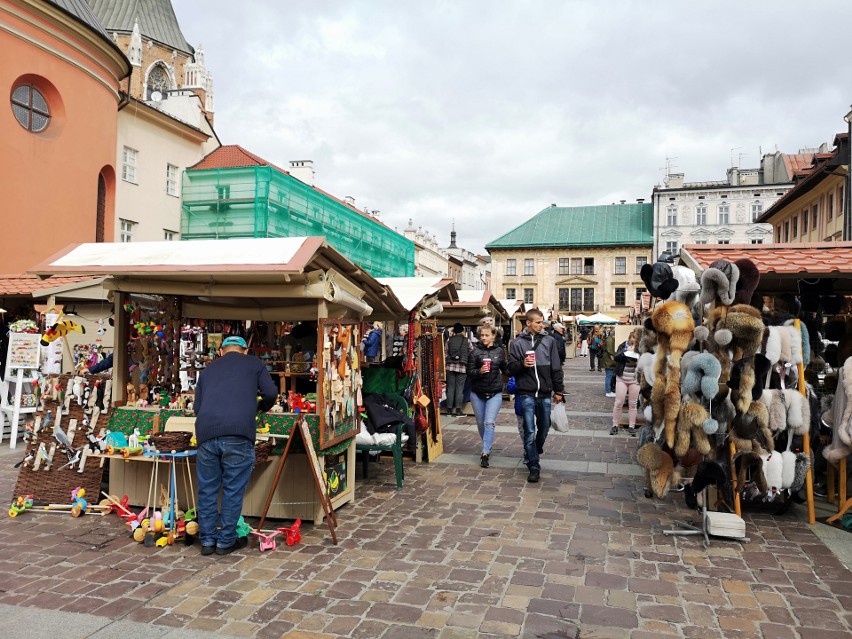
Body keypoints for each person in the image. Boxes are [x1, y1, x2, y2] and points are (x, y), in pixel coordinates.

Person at [194, 335, 278, 556]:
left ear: (221, 351)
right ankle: (225, 542)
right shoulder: (255, 364)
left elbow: (197, 407)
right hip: (239, 434)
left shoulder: (208, 370)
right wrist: (259, 407)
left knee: (207, 490)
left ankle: (207, 541)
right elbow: (271, 393)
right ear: (245, 350)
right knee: (232, 490)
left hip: (206, 434)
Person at [508, 309, 565, 483]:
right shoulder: (517, 343)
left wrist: (559, 390)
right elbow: (510, 368)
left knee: (545, 425)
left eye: (543, 322)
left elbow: (556, 367)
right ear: (529, 323)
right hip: (526, 392)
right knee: (529, 429)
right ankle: (534, 464)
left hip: (545, 392)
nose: (542, 325)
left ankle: (535, 448)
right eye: (539, 322)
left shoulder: (549, 341)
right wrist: (522, 364)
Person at [468, 324, 508, 468]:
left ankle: (485, 453)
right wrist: (480, 371)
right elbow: (469, 372)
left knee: (489, 422)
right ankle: (487, 443)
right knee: (480, 423)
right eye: (482, 335)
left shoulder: (499, 351)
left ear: (493, 336)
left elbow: (505, 368)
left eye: (486, 335)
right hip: (477, 393)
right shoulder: (474, 352)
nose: (484, 338)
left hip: (495, 392)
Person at [610, 331, 641, 436]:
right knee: (618, 402)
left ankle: (631, 426)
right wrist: (625, 351)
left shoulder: (641, 348)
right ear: (629, 338)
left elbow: (646, 362)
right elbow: (616, 357)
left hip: (634, 379)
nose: (633, 343)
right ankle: (615, 425)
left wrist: (638, 362)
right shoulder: (623, 345)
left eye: (635, 342)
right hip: (622, 378)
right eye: (632, 341)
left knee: (633, 404)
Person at [444, 323, 470, 417]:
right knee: (460, 389)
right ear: (462, 330)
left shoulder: (449, 340)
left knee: (450, 388)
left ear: (454, 331)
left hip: (450, 367)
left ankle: (449, 411)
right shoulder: (467, 340)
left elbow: (446, 352)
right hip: (462, 367)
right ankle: (458, 411)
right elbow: (471, 351)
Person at [602, 329, 616, 397]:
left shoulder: (610, 339)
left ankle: (609, 390)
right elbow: (610, 351)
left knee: (610, 375)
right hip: (608, 360)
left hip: (608, 359)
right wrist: (613, 358)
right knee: (609, 375)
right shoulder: (610, 340)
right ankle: (608, 391)